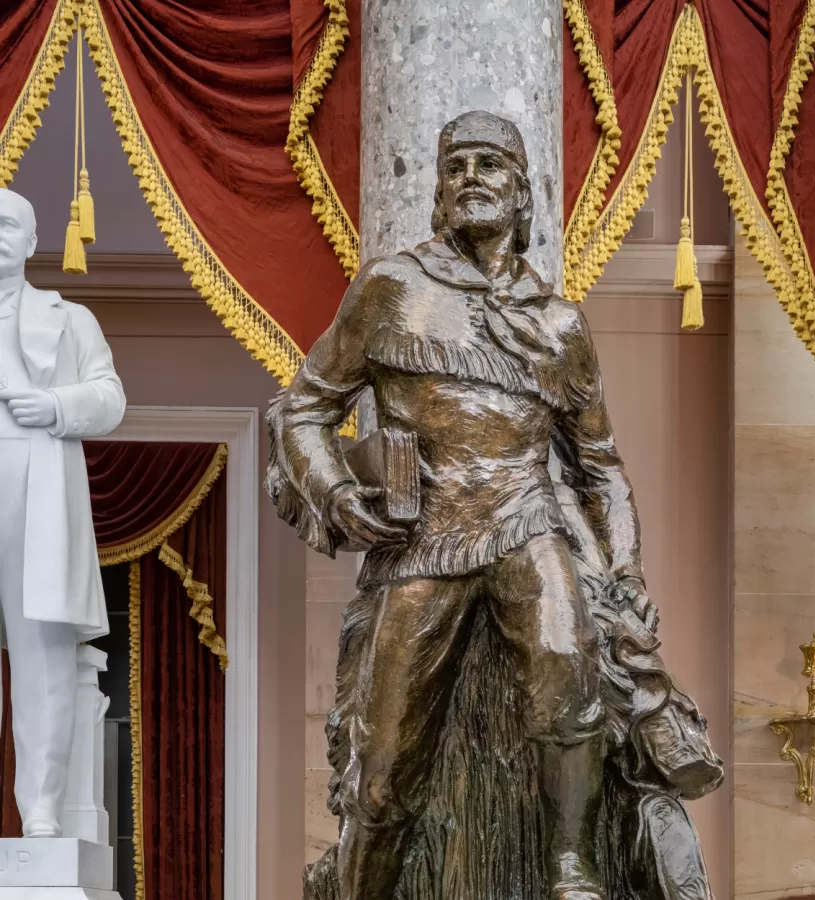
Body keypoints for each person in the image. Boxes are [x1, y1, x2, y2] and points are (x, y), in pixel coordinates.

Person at [268, 111, 654, 900]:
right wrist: (338, 493)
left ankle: (571, 869)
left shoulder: (559, 323)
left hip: (527, 518)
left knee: (566, 668)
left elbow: (601, 467)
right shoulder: (391, 288)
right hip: (425, 540)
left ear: (523, 194)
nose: (472, 177)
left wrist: (625, 573)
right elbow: (303, 408)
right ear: (440, 192)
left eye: (491, 165)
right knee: (383, 755)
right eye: (457, 166)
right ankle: (362, 886)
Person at [0, 187, 125, 837]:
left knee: (43, 656)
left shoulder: (68, 319)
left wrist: (54, 407)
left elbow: (110, 397)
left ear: (32, 240)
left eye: (8, 224)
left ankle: (41, 805)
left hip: (36, 479)